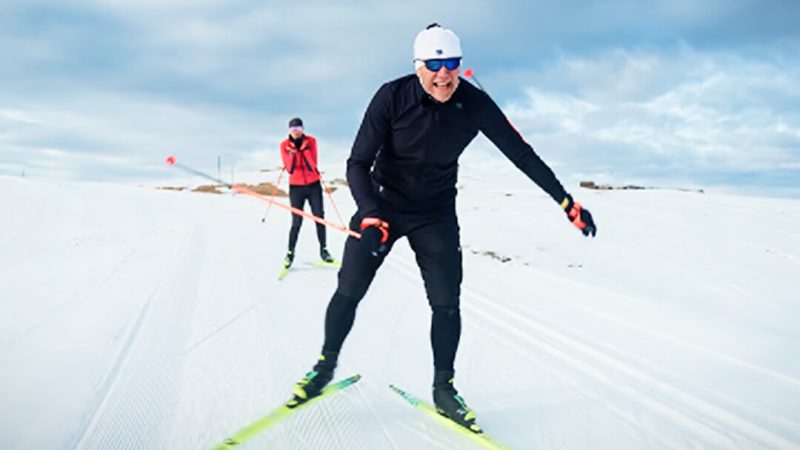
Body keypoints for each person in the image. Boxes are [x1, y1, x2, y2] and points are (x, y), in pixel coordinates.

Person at [289, 24, 596, 431]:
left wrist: (565, 200)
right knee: (350, 287)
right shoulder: (391, 96)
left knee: (446, 302)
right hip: (384, 204)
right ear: (418, 66)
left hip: (435, 212)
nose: (444, 75)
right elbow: (357, 163)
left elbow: (520, 153)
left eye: (451, 64)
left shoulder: (474, 103)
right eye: (434, 65)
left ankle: (444, 389)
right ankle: (323, 369)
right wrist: (370, 210)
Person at [279, 117, 335, 268]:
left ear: (303, 129)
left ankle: (324, 251)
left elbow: (312, 165)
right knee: (297, 221)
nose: (296, 132)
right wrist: (291, 153)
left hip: (313, 186)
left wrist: (304, 150)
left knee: (319, 218)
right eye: (293, 130)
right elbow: (289, 169)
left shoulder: (312, 141)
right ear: (289, 131)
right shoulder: (284, 145)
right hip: (296, 188)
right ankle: (290, 253)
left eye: (298, 129)